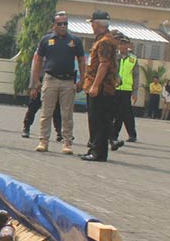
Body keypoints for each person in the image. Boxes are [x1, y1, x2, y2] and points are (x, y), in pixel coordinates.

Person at [29, 11, 85, 154]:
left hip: (67, 81)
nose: (63, 26)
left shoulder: (74, 41)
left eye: (65, 23)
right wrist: (35, 80)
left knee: (67, 114)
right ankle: (43, 141)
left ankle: (67, 143)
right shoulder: (46, 40)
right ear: (54, 25)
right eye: (59, 24)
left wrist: (82, 80)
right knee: (46, 112)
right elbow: (38, 60)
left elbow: (81, 60)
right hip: (50, 79)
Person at [80, 10, 118, 162]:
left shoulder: (105, 42)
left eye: (93, 23)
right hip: (98, 86)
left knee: (99, 120)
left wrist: (95, 85)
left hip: (101, 89)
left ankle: (98, 152)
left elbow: (104, 64)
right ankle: (94, 149)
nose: (92, 26)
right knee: (95, 120)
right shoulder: (103, 39)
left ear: (97, 24)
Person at [112, 35, 138, 143]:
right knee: (115, 113)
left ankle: (132, 134)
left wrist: (135, 91)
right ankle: (113, 135)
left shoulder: (133, 59)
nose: (122, 46)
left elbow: (136, 75)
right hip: (114, 88)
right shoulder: (114, 57)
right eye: (120, 43)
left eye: (124, 44)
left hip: (126, 90)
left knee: (126, 114)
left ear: (128, 45)